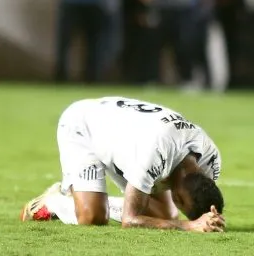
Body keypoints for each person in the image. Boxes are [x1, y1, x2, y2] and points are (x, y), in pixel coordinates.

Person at [20, 95, 225, 232]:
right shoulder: (156, 152)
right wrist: (190, 226)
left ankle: (83, 197)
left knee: (166, 215)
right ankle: (54, 202)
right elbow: (130, 220)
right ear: (178, 198)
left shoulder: (211, 161)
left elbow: (201, 195)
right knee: (92, 217)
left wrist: (210, 217)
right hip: (83, 126)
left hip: (124, 129)